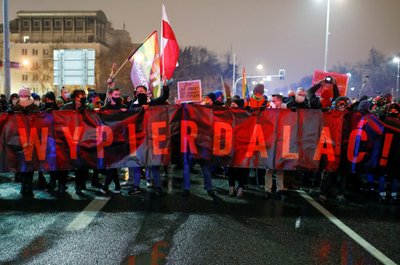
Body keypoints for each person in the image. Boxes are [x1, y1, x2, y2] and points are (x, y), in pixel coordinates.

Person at [127, 84, 169, 196]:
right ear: (135, 94)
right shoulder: (132, 105)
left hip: (152, 138)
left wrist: (165, 86)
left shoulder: (153, 103)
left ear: (146, 93)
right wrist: (139, 109)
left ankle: (158, 187)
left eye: (142, 91)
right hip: (139, 139)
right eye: (138, 91)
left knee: (154, 164)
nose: (140, 93)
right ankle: (136, 186)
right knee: (137, 165)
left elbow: (164, 97)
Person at [12, 88, 39, 197]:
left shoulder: (34, 108)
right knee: (23, 162)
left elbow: (40, 121)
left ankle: (29, 184)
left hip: (32, 138)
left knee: (30, 163)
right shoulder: (16, 107)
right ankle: (24, 185)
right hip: (20, 138)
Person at [98, 88, 126, 194]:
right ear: (110, 95)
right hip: (108, 139)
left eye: (119, 94)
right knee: (111, 164)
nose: (118, 96)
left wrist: (126, 112)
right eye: (115, 94)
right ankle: (117, 186)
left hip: (119, 139)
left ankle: (106, 186)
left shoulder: (123, 107)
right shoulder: (105, 108)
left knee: (112, 164)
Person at [61, 89, 89, 194]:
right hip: (68, 138)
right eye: (79, 96)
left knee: (80, 164)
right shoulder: (66, 107)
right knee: (65, 163)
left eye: (83, 96)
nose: (81, 98)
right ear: (74, 97)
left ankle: (79, 185)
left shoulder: (86, 108)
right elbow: (60, 119)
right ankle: (62, 184)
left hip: (81, 139)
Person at [226, 96, 248, 198]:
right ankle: (231, 187)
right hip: (230, 145)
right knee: (230, 166)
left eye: (234, 105)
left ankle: (241, 188)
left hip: (242, 145)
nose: (232, 107)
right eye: (231, 105)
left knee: (243, 168)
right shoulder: (227, 115)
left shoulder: (246, 116)